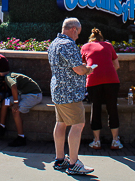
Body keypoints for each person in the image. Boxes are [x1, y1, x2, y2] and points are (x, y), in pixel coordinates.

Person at [48, 18, 94, 175]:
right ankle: (74, 163)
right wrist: (88, 69)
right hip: (70, 93)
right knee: (78, 125)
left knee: (60, 123)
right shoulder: (68, 45)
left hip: (58, 91)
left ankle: (60, 159)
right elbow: (79, 69)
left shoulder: (54, 43)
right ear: (74, 29)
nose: (78, 37)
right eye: (78, 33)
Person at [81, 28, 122, 150]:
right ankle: (115, 141)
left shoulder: (85, 47)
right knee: (112, 108)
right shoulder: (108, 45)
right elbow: (117, 65)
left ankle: (97, 141)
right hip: (112, 80)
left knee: (95, 108)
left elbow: (83, 66)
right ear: (101, 39)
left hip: (93, 80)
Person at [0, 73, 43, 147]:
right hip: (22, 94)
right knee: (5, 102)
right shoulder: (8, 78)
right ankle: (1, 127)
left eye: (4, 88)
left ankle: (21, 137)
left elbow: (13, 86)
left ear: (4, 83)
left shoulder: (8, 78)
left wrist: (16, 103)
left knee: (15, 111)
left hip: (33, 95)